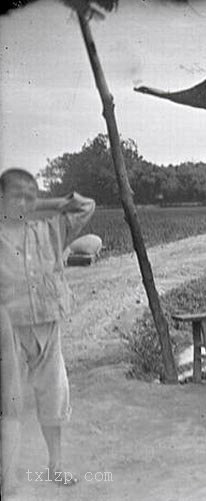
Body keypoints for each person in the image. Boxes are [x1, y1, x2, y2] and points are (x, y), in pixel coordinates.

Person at [0, 168, 95, 493]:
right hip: (7, 327)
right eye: (17, 194)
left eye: (31, 195)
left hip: (46, 320)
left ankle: (56, 466)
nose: (25, 201)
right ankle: (7, 476)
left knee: (53, 394)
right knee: (9, 399)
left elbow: (85, 206)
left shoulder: (49, 227)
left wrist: (39, 203)